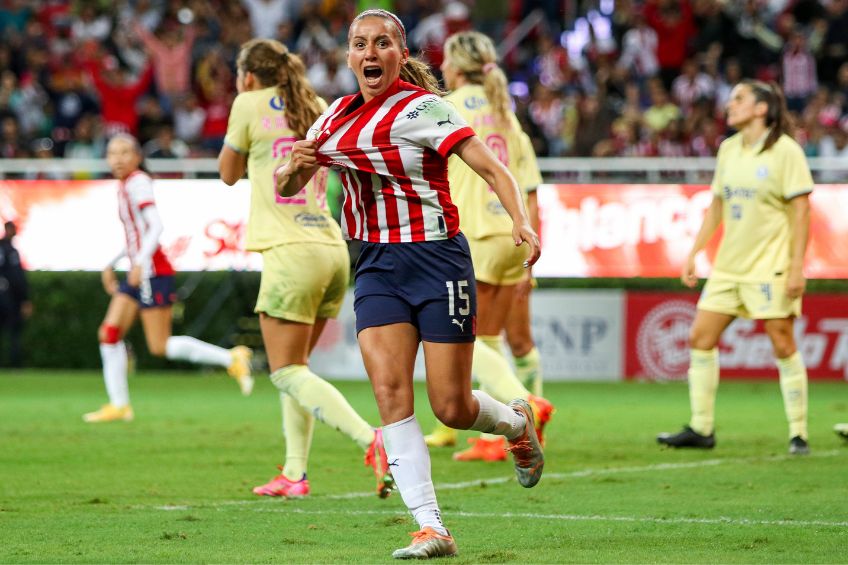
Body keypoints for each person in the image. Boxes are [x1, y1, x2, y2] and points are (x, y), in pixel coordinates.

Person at [276, 9, 544, 559]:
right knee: (391, 395)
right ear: (349, 57)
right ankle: (431, 527)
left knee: (450, 406)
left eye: (381, 43)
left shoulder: (425, 108)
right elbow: (287, 183)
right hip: (374, 263)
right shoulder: (332, 118)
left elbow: (492, 168)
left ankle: (516, 422)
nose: (369, 53)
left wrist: (521, 219)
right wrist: (295, 165)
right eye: (359, 45)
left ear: (401, 53)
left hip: (437, 260)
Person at [218, 38, 394, 499]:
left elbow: (227, 172)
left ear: (249, 76)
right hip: (332, 249)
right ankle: (295, 475)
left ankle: (371, 439)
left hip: (289, 251)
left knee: (284, 371)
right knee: (295, 368)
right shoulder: (314, 103)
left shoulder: (248, 101)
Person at [657, 80, 814, 455]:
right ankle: (701, 428)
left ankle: (798, 433)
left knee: (782, 340)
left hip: (770, 266)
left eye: (739, 99)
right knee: (700, 337)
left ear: (762, 108)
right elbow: (716, 207)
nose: (730, 106)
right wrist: (694, 252)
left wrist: (796, 268)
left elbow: (802, 211)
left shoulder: (786, 152)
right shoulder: (728, 149)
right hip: (728, 266)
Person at [422, 32, 553, 462]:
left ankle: (525, 403)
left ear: (456, 67)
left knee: (460, 340)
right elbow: (530, 183)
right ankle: (495, 435)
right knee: (489, 338)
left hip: (471, 233)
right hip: (510, 233)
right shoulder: (505, 112)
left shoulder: (450, 105)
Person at [84, 134, 254, 423]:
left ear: (137, 157)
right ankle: (119, 405)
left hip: (152, 271)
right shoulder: (126, 185)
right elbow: (138, 236)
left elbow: (156, 226)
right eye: (113, 153)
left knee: (159, 346)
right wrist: (111, 263)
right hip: (141, 270)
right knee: (109, 333)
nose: (118, 158)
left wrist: (137, 263)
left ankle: (232, 359)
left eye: (125, 152)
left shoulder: (137, 182)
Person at [504, 131, 545, 398]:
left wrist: (527, 267)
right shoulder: (455, 118)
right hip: (467, 241)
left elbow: (532, 200)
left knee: (517, 341)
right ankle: (447, 429)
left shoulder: (517, 136)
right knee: (458, 341)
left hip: (507, 246)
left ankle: (533, 412)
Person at [0, 220, 32, 367]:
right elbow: (17, 277)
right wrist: (25, 299)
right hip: (9, 298)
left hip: (6, 295)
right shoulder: (10, 251)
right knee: (14, 332)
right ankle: (14, 364)